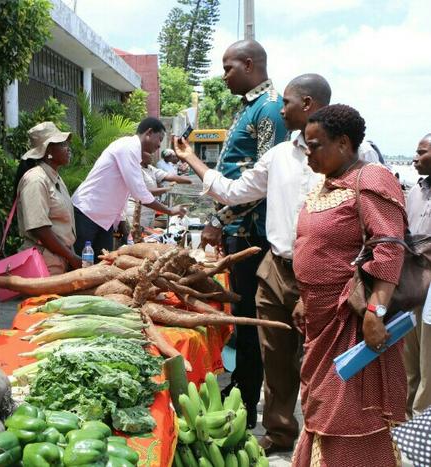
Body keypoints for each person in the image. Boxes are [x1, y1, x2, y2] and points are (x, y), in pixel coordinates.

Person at [174, 74, 383, 453]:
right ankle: (282, 433)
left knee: (328, 364)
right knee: (276, 359)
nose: (279, 107)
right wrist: (191, 160)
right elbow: (235, 193)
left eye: (285, 102)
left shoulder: (362, 159)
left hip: (332, 279)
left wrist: (370, 293)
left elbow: (380, 233)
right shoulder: (279, 155)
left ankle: (331, 442)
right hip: (277, 269)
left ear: (308, 104)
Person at [291, 104, 407, 466]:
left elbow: (389, 249)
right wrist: (302, 298)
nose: (308, 153)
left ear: (343, 143)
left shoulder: (370, 179)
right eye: (304, 146)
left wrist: (376, 310)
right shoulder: (326, 186)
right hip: (317, 318)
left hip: (350, 322)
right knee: (318, 406)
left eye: (314, 145)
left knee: (344, 411)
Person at [198, 39, 288, 428]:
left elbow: (267, 181)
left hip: (253, 233)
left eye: (228, 67)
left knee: (250, 320)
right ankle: (240, 387)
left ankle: (247, 403)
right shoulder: (251, 107)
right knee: (241, 316)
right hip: (238, 228)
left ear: (249, 64)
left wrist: (220, 218)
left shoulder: (270, 109)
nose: (224, 75)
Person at [71, 117, 187, 256]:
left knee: (103, 265)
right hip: (87, 212)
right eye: (159, 139)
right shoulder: (128, 147)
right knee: (83, 266)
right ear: (149, 133)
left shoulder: (134, 153)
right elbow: (140, 193)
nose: (158, 146)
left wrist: (120, 221)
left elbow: (123, 191)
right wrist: (169, 211)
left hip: (105, 220)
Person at [15, 122, 81, 274]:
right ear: (48, 150)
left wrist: (70, 256)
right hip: (45, 263)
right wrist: (71, 257)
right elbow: (40, 229)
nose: (68, 148)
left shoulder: (54, 177)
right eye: (62, 144)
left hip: (60, 259)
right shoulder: (36, 180)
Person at [404, 133, 431, 416]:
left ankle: (422, 431)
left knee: (428, 367)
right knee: (407, 363)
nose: (414, 158)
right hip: (411, 287)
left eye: (421, 152)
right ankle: (404, 425)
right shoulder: (414, 191)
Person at [125, 150, 192, 229]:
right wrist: (168, 189)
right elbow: (144, 192)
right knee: (137, 236)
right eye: (149, 153)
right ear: (140, 155)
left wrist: (190, 181)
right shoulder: (135, 170)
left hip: (150, 210)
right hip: (137, 211)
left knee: (147, 238)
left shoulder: (151, 168)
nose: (152, 155)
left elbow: (169, 176)